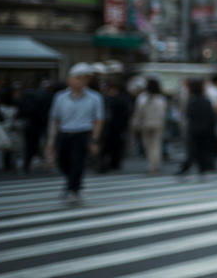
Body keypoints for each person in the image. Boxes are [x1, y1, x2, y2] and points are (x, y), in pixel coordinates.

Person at [46, 63, 103, 203]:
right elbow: (55, 119)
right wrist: (50, 142)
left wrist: (94, 140)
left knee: (77, 162)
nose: (80, 81)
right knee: (62, 162)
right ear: (69, 80)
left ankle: (73, 188)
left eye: (83, 78)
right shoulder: (60, 97)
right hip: (65, 132)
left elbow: (99, 119)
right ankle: (73, 183)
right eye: (77, 78)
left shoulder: (95, 97)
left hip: (82, 133)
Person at [176, 78, 217, 181]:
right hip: (206, 128)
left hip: (194, 128)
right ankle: (203, 167)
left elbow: (188, 115)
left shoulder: (192, 101)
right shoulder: (206, 100)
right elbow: (211, 116)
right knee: (203, 149)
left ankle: (188, 166)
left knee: (192, 149)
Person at [132, 77, 170, 175]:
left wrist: (136, 122)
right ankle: (156, 164)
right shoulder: (161, 98)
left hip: (146, 123)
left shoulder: (142, 97)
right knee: (157, 144)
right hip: (158, 123)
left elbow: (138, 112)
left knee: (148, 145)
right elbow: (164, 112)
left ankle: (152, 164)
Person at [97, 80, 134, 173]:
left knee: (107, 147)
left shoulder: (110, 100)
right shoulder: (123, 99)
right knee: (115, 147)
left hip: (111, 127)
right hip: (117, 127)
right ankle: (114, 163)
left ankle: (105, 163)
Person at [17, 78, 52, 173]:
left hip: (30, 123)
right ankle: (47, 162)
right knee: (45, 142)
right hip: (43, 122)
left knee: (29, 145)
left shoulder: (26, 95)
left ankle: (27, 165)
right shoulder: (47, 94)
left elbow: (21, 109)